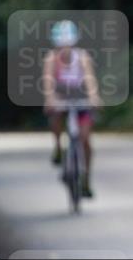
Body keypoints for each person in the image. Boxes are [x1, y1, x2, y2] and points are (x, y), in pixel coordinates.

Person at [42, 19, 101, 198]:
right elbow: (48, 80)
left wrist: (94, 96)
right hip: (61, 97)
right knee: (55, 115)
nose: (65, 49)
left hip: (80, 98)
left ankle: (86, 179)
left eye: (68, 44)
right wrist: (49, 98)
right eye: (62, 45)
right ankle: (58, 147)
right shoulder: (51, 58)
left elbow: (90, 78)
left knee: (85, 139)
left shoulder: (82, 56)